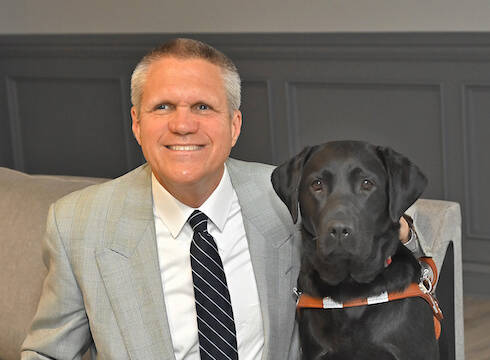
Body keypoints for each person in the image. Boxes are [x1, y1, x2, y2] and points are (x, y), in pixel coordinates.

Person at [21, 38, 420, 360]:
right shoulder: (78, 224)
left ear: (234, 124)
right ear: (137, 124)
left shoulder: (286, 195)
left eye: (202, 107)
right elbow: (49, 353)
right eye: (163, 107)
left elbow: (373, 219)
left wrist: (401, 228)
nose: (182, 124)